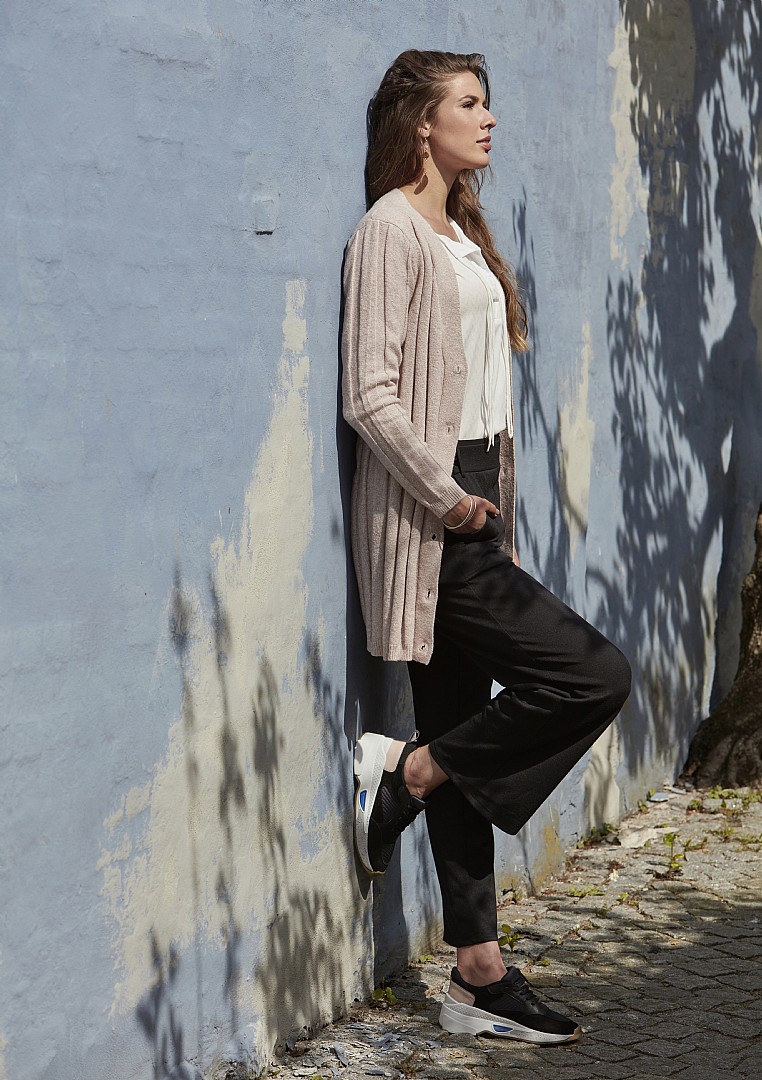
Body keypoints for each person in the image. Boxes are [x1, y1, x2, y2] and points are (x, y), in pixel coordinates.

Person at [341, 50, 631, 1046]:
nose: (489, 118)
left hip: (473, 506)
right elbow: (370, 394)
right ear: (422, 124)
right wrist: (452, 501)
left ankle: (477, 975)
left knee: (463, 723)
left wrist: (491, 502)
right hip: (435, 522)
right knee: (594, 675)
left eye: (488, 101)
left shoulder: (461, 229)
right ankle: (413, 774)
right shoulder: (389, 230)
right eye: (469, 103)